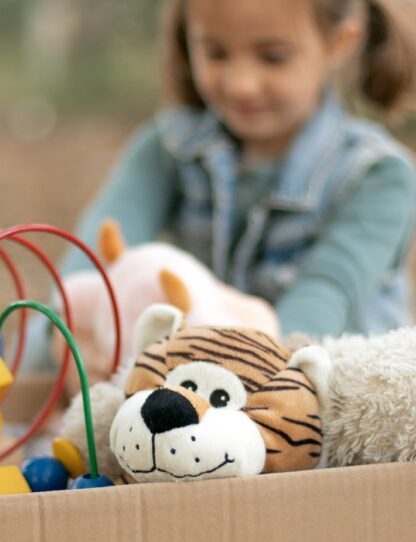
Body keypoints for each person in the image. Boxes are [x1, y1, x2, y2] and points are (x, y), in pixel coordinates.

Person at [21, 0, 416, 372]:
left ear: (339, 43)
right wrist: (61, 344)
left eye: (273, 57)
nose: (241, 84)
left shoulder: (377, 176)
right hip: (204, 393)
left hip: (316, 395)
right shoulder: (169, 148)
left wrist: (243, 386)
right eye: (216, 53)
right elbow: (91, 264)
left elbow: (320, 304)